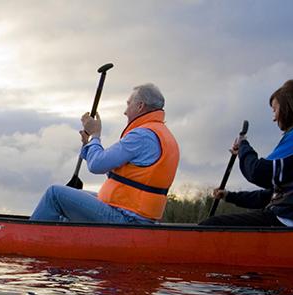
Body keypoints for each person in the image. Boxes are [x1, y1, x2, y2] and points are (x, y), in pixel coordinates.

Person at [201, 79, 293, 227]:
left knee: (211, 225)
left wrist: (243, 146)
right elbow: (269, 195)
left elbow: (258, 172)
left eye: (275, 110)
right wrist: (229, 196)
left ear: (288, 106)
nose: (274, 118)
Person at [30, 83, 180, 224]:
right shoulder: (161, 135)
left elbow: (97, 165)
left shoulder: (142, 136)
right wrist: (89, 143)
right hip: (133, 213)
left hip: (126, 218)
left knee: (54, 194)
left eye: (128, 104)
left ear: (140, 106)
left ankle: (30, 241)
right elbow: (113, 170)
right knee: (68, 205)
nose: (125, 111)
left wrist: (95, 134)